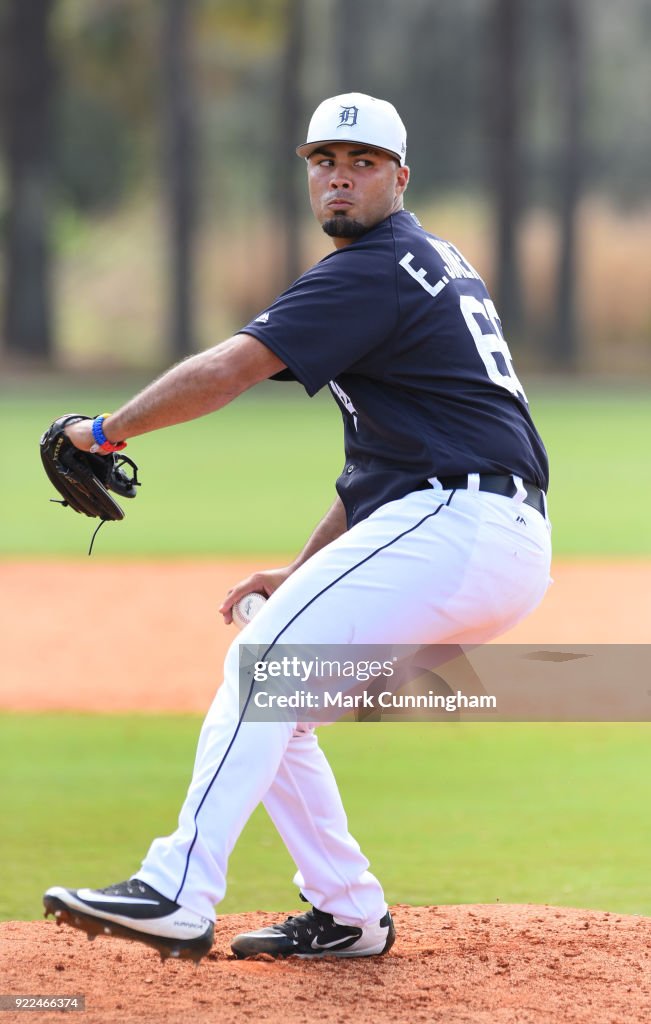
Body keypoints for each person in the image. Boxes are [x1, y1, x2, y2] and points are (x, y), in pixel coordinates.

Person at [44, 92, 551, 962]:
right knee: (283, 694)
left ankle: (177, 887)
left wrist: (101, 431)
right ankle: (347, 910)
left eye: (361, 164)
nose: (340, 179)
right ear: (308, 175)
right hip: (467, 528)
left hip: (460, 521)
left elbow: (230, 368)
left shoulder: (374, 268)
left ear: (399, 177)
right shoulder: (423, 261)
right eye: (324, 162)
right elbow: (381, 467)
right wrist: (303, 567)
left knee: (262, 665)